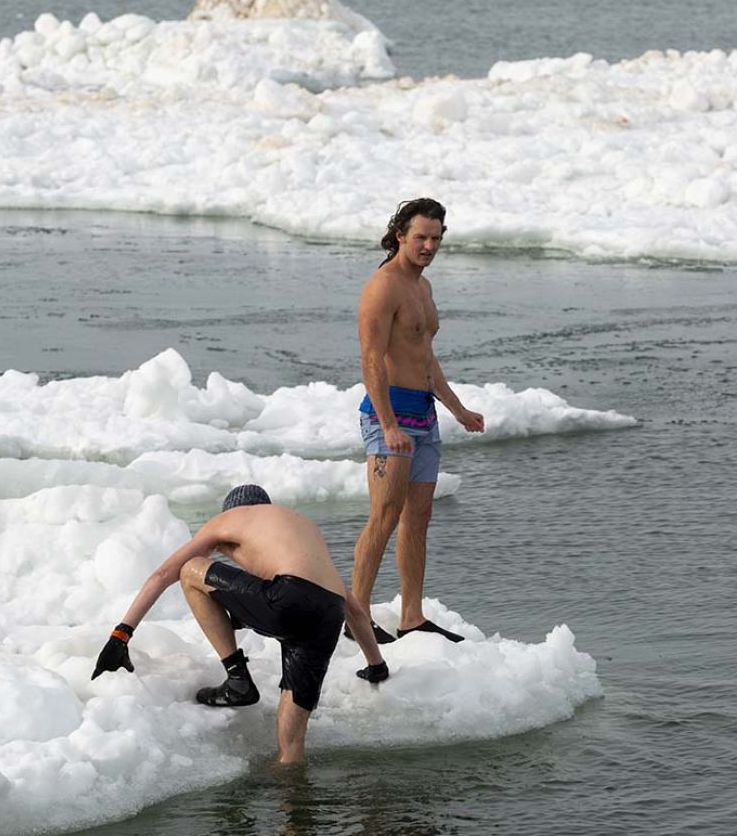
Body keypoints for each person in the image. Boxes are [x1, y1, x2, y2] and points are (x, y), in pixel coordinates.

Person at [91, 484, 389, 764]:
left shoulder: (230, 519)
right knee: (291, 742)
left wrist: (121, 635)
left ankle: (237, 678)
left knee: (190, 570)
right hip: (328, 613)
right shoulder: (298, 530)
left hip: (287, 599)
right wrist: (376, 666)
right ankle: (294, 808)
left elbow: (163, 574)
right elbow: (357, 613)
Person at [348, 198, 486, 645]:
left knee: (418, 518)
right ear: (400, 235)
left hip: (424, 414)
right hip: (389, 414)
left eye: (436, 238)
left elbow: (424, 355)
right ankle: (357, 615)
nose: (429, 245)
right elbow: (371, 360)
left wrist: (457, 408)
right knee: (384, 515)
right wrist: (388, 424)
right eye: (421, 237)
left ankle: (411, 615)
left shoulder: (422, 288)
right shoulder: (382, 288)